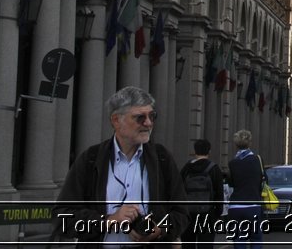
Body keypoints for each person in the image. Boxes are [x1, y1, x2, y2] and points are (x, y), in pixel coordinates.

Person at [54, 86, 190, 245]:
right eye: (140, 117)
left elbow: (182, 213)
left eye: (152, 116)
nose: (148, 123)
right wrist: (108, 221)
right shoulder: (91, 159)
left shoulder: (162, 158)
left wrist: (159, 230)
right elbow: (62, 217)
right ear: (116, 120)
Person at [180, 137, 225, 249]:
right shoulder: (214, 169)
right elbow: (219, 194)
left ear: (195, 151)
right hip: (207, 214)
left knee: (187, 244)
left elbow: (179, 190)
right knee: (205, 244)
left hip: (188, 214)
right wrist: (217, 213)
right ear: (209, 151)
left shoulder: (186, 168)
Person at [226, 128, 267, 249]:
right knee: (256, 238)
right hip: (253, 204)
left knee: (238, 238)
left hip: (235, 207)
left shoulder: (232, 163)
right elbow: (264, 180)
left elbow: (231, 184)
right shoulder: (257, 160)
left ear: (236, 144)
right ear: (250, 143)